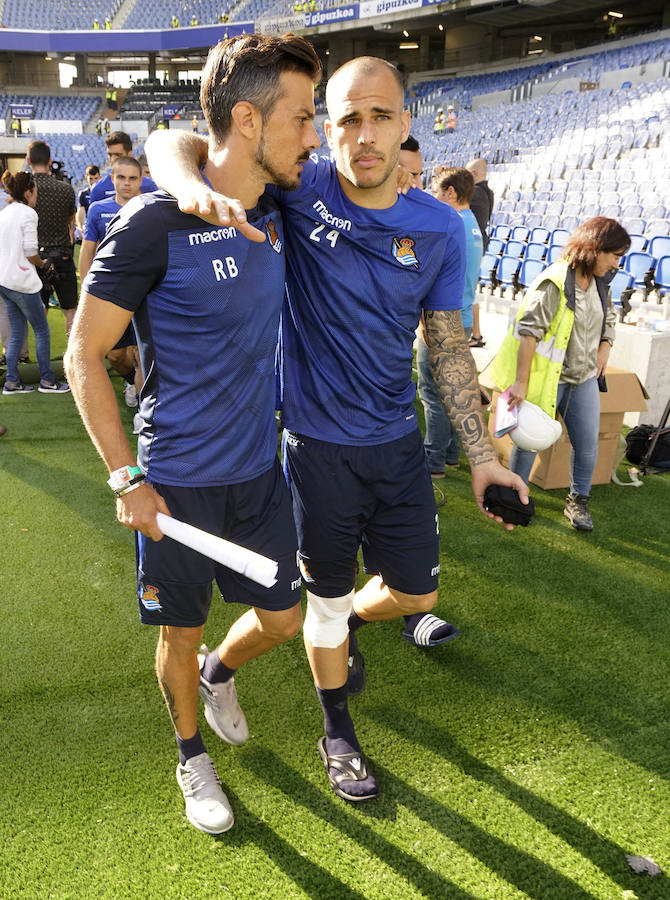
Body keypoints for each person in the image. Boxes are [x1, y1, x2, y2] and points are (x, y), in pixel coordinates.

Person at [146, 54, 528, 804]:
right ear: (328, 125)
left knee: (415, 596)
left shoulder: (441, 228)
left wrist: (482, 458)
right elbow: (182, 142)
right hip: (315, 448)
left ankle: (314, 627)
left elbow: (446, 342)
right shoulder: (302, 187)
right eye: (347, 117)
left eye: (380, 116)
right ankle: (338, 734)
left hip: (397, 444)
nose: (363, 135)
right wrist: (191, 187)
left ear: (406, 124)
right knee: (317, 607)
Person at [65, 32, 321, 836]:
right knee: (180, 629)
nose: (312, 136)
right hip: (175, 482)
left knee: (284, 619)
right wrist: (124, 479)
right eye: (303, 117)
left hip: (259, 474)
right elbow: (81, 354)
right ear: (249, 119)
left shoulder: (277, 201)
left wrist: (188, 167)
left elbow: (177, 141)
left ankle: (221, 674)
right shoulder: (150, 225)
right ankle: (190, 756)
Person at [490, 217, 630, 532]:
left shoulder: (601, 282)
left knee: (587, 445)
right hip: (546, 379)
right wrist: (522, 382)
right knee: (528, 443)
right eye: (614, 255)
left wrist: (605, 346)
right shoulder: (554, 281)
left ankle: (578, 502)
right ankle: (515, 499)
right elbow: (529, 334)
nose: (617, 263)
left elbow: (609, 318)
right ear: (596, 249)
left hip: (583, 380)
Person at [418, 167, 484, 477]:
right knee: (454, 388)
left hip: (444, 319)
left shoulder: (452, 224)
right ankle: (452, 454)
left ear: (451, 192)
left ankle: (433, 459)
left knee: (433, 392)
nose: (433, 197)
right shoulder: (473, 227)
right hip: (464, 318)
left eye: (436, 190)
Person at [79, 157, 144, 411]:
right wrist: (87, 291)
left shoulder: (151, 208)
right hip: (110, 295)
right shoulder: (98, 209)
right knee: (116, 355)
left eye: (132, 178)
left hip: (144, 294)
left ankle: (143, 408)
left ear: (140, 181)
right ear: (112, 179)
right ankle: (130, 382)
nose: (127, 184)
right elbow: (87, 253)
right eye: (121, 178)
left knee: (141, 353)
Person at [0, 171, 70, 395]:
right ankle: (48, 381)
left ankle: (12, 381)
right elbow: (31, 251)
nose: (36, 195)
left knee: (17, 333)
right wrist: (42, 264)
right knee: (41, 330)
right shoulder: (28, 213)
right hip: (22, 282)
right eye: (35, 191)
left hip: (5, 281)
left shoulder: (6, 212)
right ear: (28, 191)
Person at [26, 140, 78, 338]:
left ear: (29, 160)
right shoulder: (66, 189)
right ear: (50, 161)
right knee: (70, 310)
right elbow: (69, 221)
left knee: (40, 313)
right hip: (63, 256)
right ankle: (73, 360)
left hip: (37, 260)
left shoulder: (27, 191)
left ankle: (42, 361)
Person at [466, 158, 494, 347]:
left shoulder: (475, 193)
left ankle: (475, 333)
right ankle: (476, 334)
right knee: (471, 289)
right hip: (479, 243)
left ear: (475, 174)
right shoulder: (486, 192)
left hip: (472, 245)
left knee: (469, 289)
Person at [89, 131, 157, 204]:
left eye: (118, 155)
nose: (112, 159)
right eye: (110, 155)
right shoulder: (98, 188)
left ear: (130, 154)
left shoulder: (149, 186)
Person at [75, 164, 101, 236]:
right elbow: (80, 212)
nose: (93, 181)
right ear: (86, 178)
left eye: (96, 178)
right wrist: (80, 227)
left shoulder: (105, 192)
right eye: (91, 178)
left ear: (100, 177)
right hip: (90, 226)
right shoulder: (83, 194)